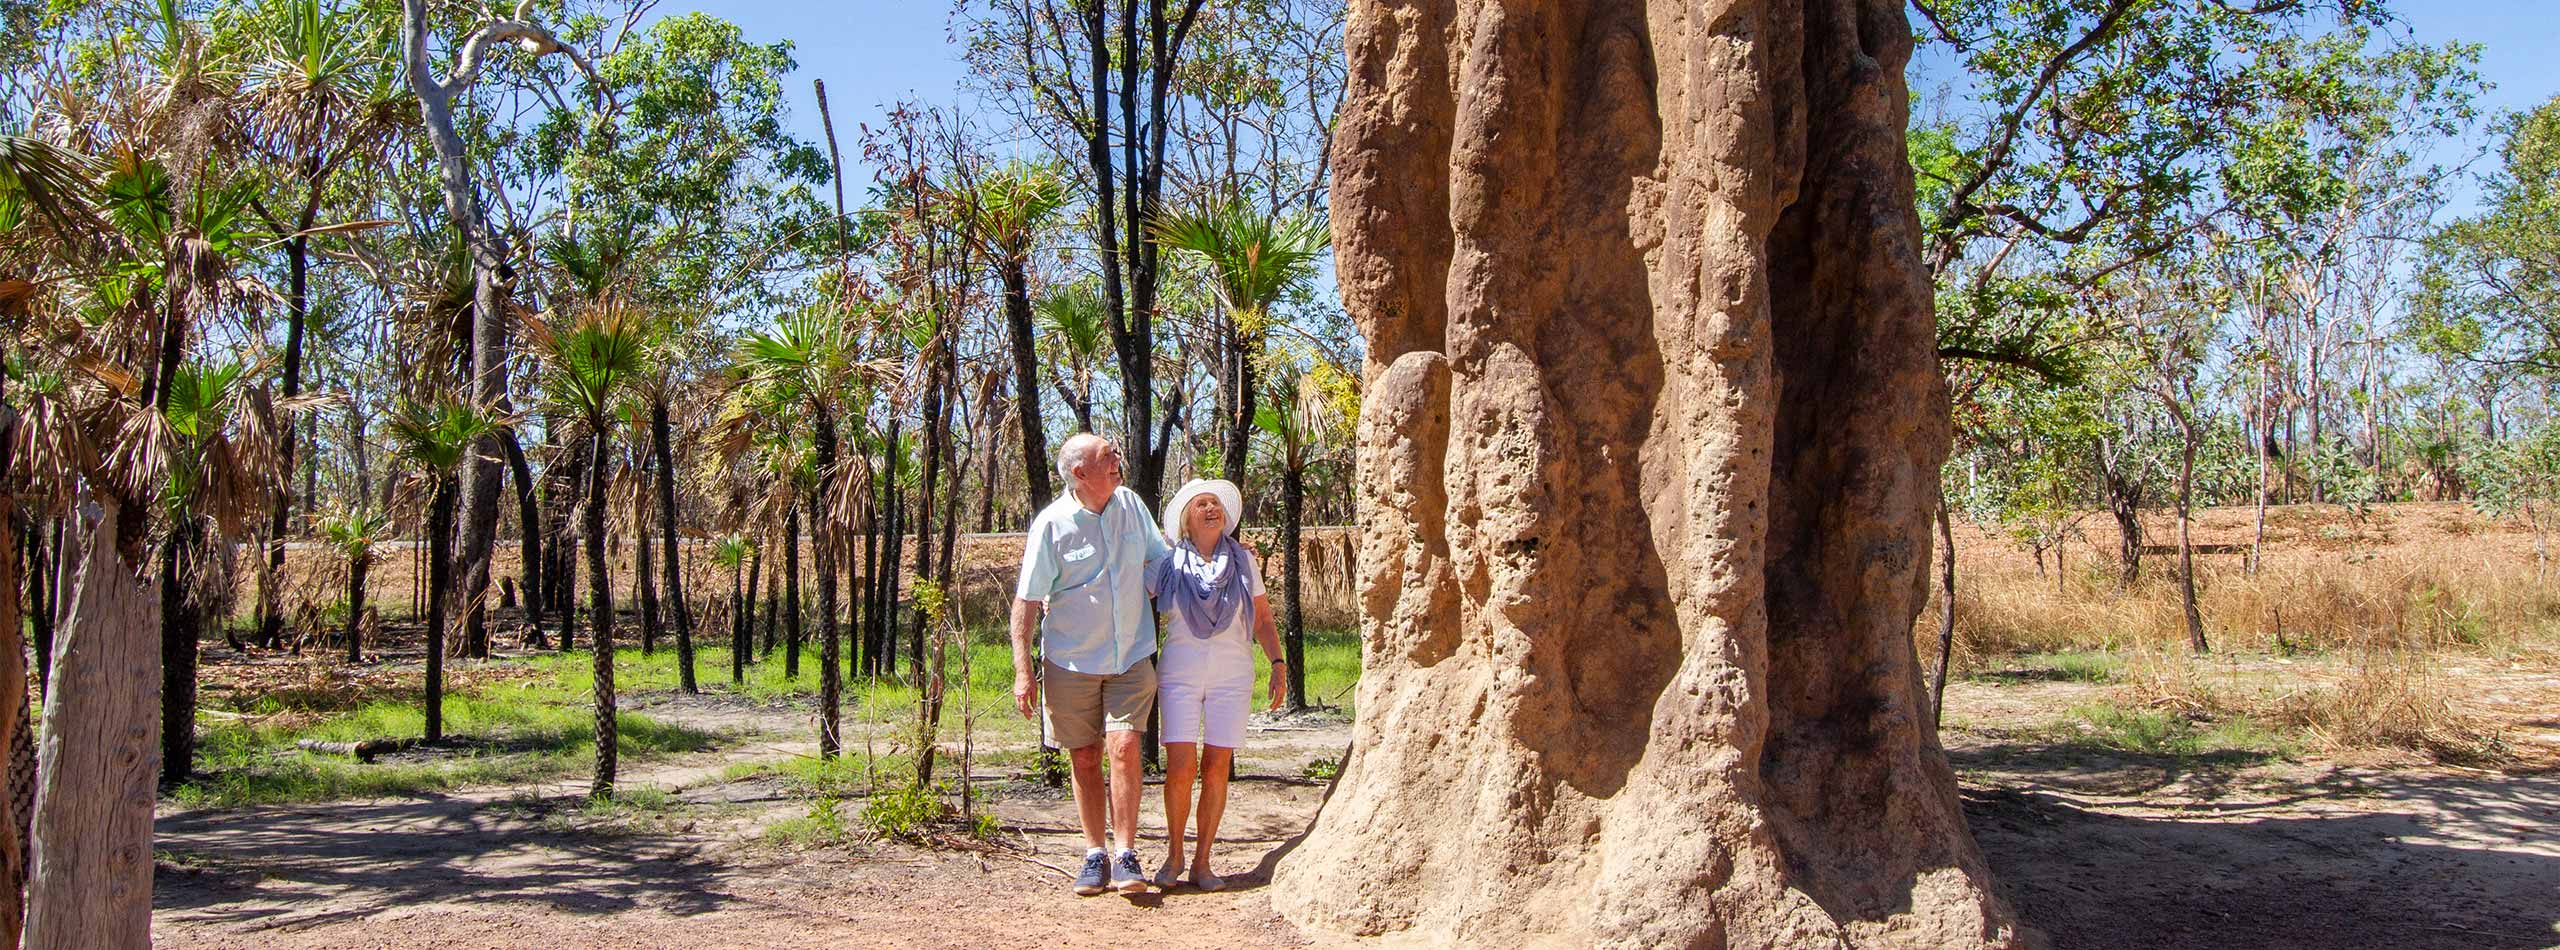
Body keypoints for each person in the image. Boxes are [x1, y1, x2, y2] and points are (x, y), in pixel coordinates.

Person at [1010, 433, 1171, 896]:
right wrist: (1024, 670)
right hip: (1071, 661)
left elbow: (1158, 564)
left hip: (1131, 655)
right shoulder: (1052, 525)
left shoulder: (1131, 506)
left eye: (1115, 452)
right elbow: (1027, 601)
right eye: (1107, 456)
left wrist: (1210, 568)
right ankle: (1094, 853)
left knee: (1123, 746)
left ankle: (1125, 853)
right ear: (1080, 474)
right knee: (1084, 756)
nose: (1117, 458)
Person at [1146, 478, 1286, 892]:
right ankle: (1174, 855)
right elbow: (1128, 595)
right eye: (1201, 504)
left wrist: (1277, 663)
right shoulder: (1166, 564)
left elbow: (1262, 619)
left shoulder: (1245, 562)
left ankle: (1203, 862)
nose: (1211, 509)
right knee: (1181, 767)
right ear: (1186, 520)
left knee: (1217, 767)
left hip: (1232, 674)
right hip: (1179, 673)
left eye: (1215, 504)